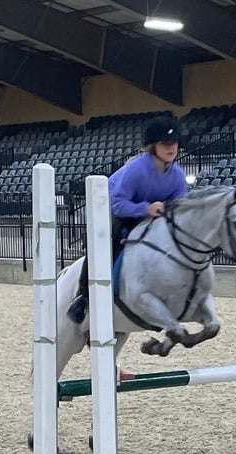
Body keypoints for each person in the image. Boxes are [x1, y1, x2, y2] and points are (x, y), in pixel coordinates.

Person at [66, 115, 189, 324]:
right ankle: (83, 296)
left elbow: (180, 205)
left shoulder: (177, 175)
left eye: (174, 143)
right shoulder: (136, 169)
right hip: (112, 206)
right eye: (165, 144)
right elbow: (118, 204)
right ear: (153, 146)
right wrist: (146, 208)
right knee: (106, 241)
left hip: (147, 213)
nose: (172, 148)